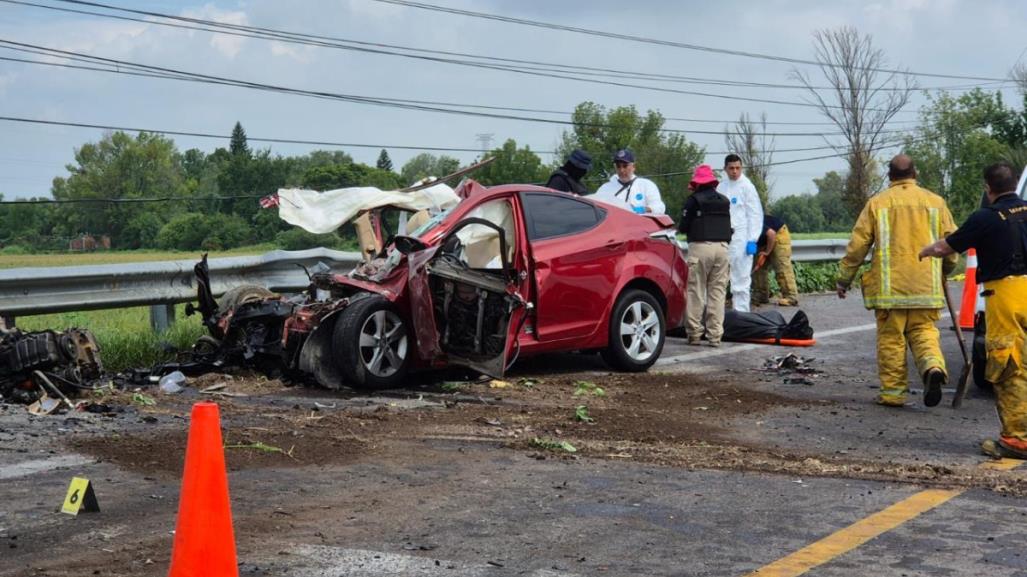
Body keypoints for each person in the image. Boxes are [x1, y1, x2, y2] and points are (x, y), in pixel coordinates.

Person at [919, 162, 1027, 457]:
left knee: (1010, 367)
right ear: (1016, 184)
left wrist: (926, 251)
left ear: (987, 189)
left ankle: (1017, 440)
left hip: (1008, 296)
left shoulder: (986, 217)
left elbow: (948, 246)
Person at [837, 154, 958, 408]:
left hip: (890, 291)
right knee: (925, 333)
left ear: (890, 176)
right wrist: (945, 268)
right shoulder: (935, 202)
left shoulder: (877, 203)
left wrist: (844, 279)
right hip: (926, 288)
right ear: (915, 173)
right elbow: (952, 243)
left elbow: (858, 245)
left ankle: (893, 393)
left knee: (891, 339)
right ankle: (932, 367)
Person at [678, 165, 732, 347]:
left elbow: (683, 226)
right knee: (717, 293)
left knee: (696, 291)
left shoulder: (693, 200)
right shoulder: (724, 201)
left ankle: (694, 334)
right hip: (723, 248)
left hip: (701, 248)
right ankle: (715, 336)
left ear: (696, 183)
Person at [716, 154, 763, 312]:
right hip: (723, 237)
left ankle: (741, 312)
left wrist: (752, 239)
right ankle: (718, 314)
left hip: (741, 238)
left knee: (741, 277)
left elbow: (755, 214)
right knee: (720, 277)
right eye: (731, 168)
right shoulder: (721, 187)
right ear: (725, 169)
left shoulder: (747, 187)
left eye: (738, 168)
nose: (735, 171)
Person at [592, 149, 665, 214]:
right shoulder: (605, 188)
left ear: (633, 167)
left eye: (625, 166)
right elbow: (595, 207)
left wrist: (644, 209)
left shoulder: (646, 185)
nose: (621, 170)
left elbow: (660, 207)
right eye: (618, 166)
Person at [752, 214, 799, 307]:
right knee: (758, 267)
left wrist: (767, 252)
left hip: (778, 233)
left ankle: (791, 297)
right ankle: (762, 295)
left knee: (781, 266)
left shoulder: (753, 222)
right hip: (765, 239)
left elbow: (771, 234)